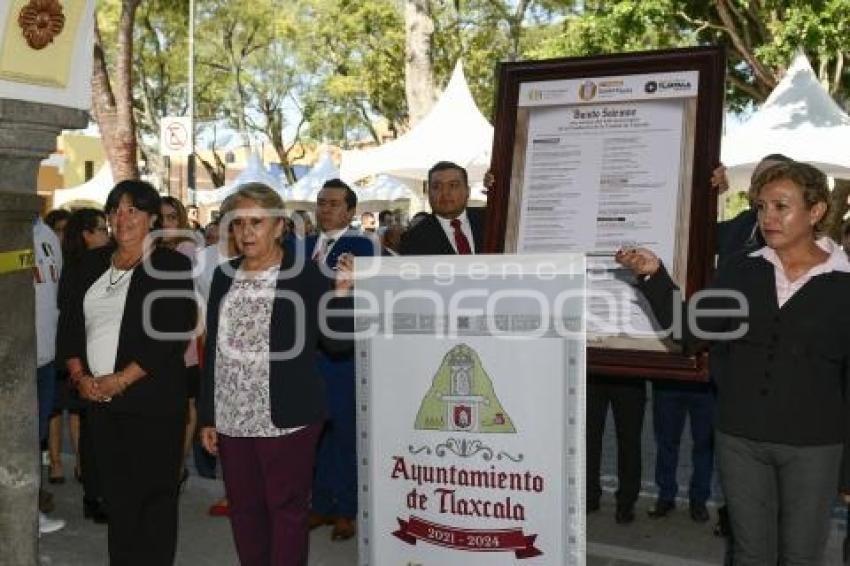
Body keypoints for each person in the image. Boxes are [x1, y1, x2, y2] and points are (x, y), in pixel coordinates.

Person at [616, 160, 850, 565]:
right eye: (761, 207)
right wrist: (655, 277)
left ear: (816, 212)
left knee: (800, 555)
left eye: (781, 206)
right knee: (748, 554)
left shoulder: (844, 281)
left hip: (815, 446)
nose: (768, 217)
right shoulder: (742, 269)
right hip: (740, 438)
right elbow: (689, 332)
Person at [198, 182, 353, 566]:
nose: (247, 232)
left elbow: (336, 344)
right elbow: (214, 350)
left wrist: (342, 295)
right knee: (246, 513)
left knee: (287, 514)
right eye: (238, 224)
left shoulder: (305, 275)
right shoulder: (223, 275)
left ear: (279, 227)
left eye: (257, 222)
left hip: (287, 418)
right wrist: (208, 416)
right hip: (233, 417)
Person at [57, 180, 196, 565]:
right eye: (115, 210)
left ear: (152, 218)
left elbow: (170, 332)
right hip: (100, 403)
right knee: (118, 502)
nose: (122, 218)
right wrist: (81, 377)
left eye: (133, 210)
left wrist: (117, 381)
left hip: (150, 403)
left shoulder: (170, 264)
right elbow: (69, 326)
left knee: (154, 502)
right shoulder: (91, 263)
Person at [306, 179, 377, 541]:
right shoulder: (301, 244)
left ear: (350, 211)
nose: (325, 209)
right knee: (315, 434)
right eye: (321, 203)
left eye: (334, 204)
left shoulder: (363, 245)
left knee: (347, 432)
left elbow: (369, 294)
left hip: (344, 353)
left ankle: (347, 510)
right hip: (306, 354)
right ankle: (320, 502)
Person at [55, 208, 111, 524]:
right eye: (102, 229)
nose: (108, 233)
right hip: (89, 357)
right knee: (96, 431)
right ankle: (97, 494)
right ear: (87, 234)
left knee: (94, 431)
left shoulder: (82, 265)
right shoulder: (89, 266)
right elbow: (74, 316)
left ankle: (96, 494)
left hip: (88, 355)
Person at [160, 195, 202, 490]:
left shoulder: (189, 250)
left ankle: (176, 466)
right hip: (155, 341)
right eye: (161, 217)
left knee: (186, 405)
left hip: (185, 340)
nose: (166, 223)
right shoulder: (145, 250)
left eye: (172, 217)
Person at [33, 213, 66, 535]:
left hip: (45, 357)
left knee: (35, 437)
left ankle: (28, 512)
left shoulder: (47, 235)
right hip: (14, 357)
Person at [399, 161, 484, 255]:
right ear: (429, 193)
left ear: (467, 191)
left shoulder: (491, 221)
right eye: (436, 187)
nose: (445, 193)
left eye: (453, 185)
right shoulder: (413, 239)